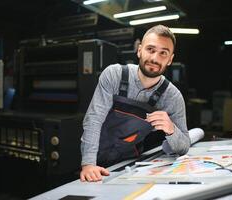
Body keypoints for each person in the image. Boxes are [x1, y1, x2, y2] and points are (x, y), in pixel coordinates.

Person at [80, 24, 191, 182]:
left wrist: (172, 130)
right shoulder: (114, 75)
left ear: (170, 59)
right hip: (93, 158)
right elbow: (93, 119)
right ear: (139, 50)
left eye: (163, 53)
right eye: (150, 50)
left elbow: (184, 145)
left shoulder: (172, 97)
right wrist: (88, 164)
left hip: (129, 165)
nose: (154, 58)